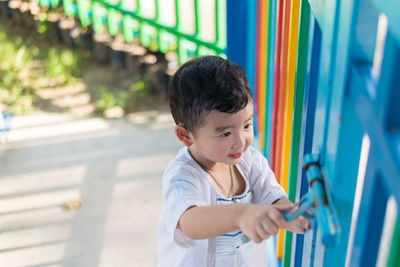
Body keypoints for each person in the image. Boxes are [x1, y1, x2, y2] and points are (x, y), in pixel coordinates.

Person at [157, 56, 308, 267]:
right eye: (225, 133)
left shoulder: (250, 161)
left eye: (247, 126)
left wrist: (291, 213)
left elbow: (271, 195)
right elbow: (189, 221)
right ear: (185, 135)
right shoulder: (183, 175)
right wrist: (241, 215)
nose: (240, 142)